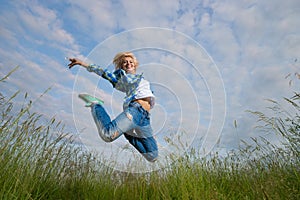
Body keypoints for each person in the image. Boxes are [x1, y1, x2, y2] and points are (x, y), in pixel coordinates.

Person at [68, 52, 158, 162]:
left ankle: (127, 132)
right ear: (121, 66)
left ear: (135, 64)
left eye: (130, 62)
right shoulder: (121, 79)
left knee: (152, 156)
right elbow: (103, 72)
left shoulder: (142, 79)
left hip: (145, 117)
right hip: (135, 110)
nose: (128, 63)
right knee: (107, 134)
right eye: (125, 62)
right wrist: (82, 63)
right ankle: (96, 104)